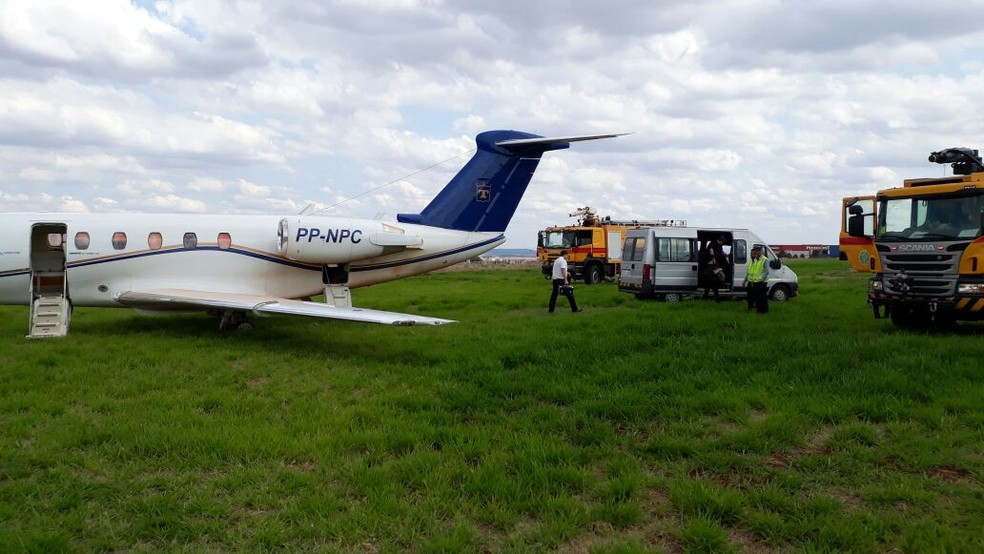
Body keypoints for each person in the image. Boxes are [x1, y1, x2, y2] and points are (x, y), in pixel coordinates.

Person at [745, 245, 770, 313]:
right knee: (757, 298)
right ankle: (759, 310)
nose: (757, 252)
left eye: (758, 251)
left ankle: (764, 311)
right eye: (756, 251)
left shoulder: (765, 260)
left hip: (762, 282)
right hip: (756, 282)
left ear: (761, 252)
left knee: (762, 298)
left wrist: (761, 279)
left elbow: (767, 272)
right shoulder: (756, 260)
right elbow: (754, 272)